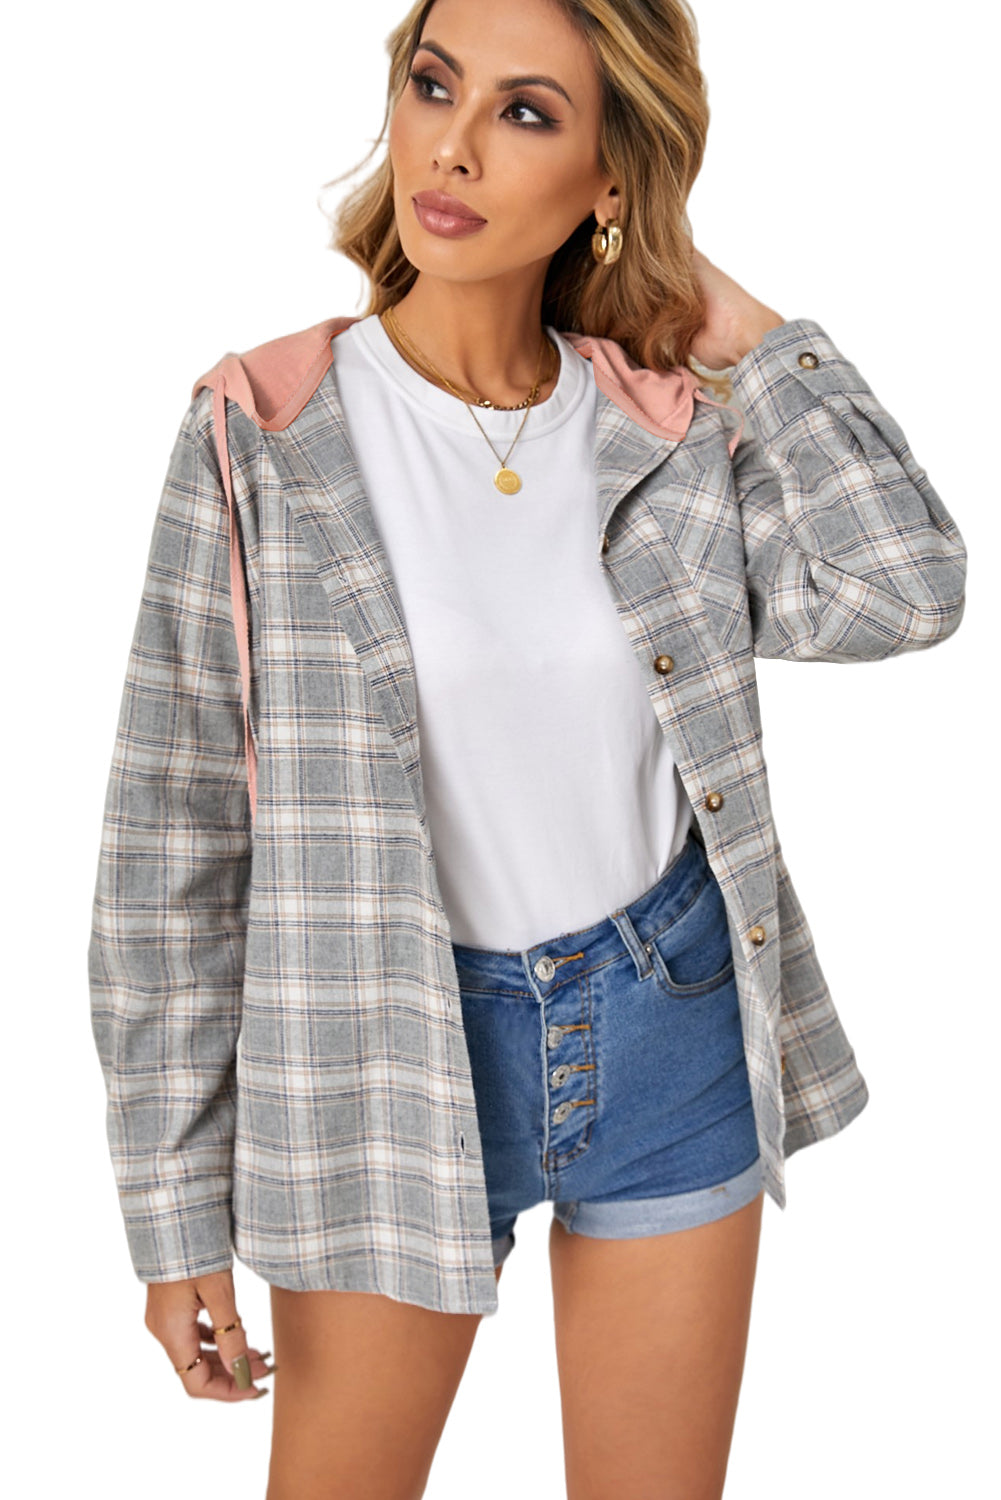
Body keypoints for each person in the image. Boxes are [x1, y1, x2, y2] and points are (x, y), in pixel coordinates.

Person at [86, 0, 967, 1496]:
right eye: (435, 86)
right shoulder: (265, 430)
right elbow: (171, 845)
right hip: (384, 1048)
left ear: (610, 175)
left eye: (527, 113)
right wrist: (172, 1216)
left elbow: (905, 587)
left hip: (667, 1013)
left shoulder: (667, 429)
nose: (453, 146)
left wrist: (740, 328)